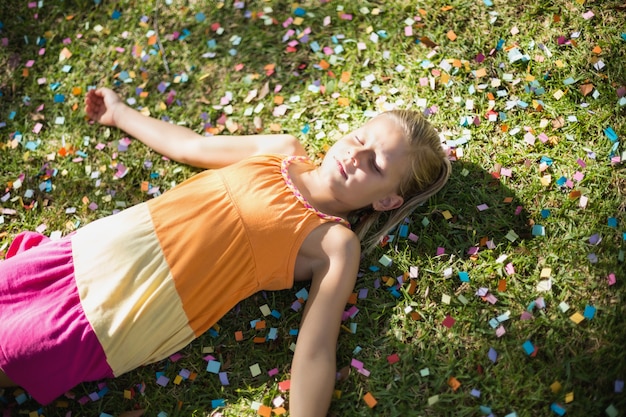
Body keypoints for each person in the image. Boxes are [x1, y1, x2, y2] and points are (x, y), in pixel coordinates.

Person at [0, 87, 451, 416]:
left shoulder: (335, 243)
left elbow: (315, 348)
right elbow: (190, 146)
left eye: (375, 165)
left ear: (388, 200)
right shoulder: (282, 151)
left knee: (16, 352)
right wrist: (120, 114)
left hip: (132, 310)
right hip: (94, 251)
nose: (356, 156)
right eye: (360, 140)